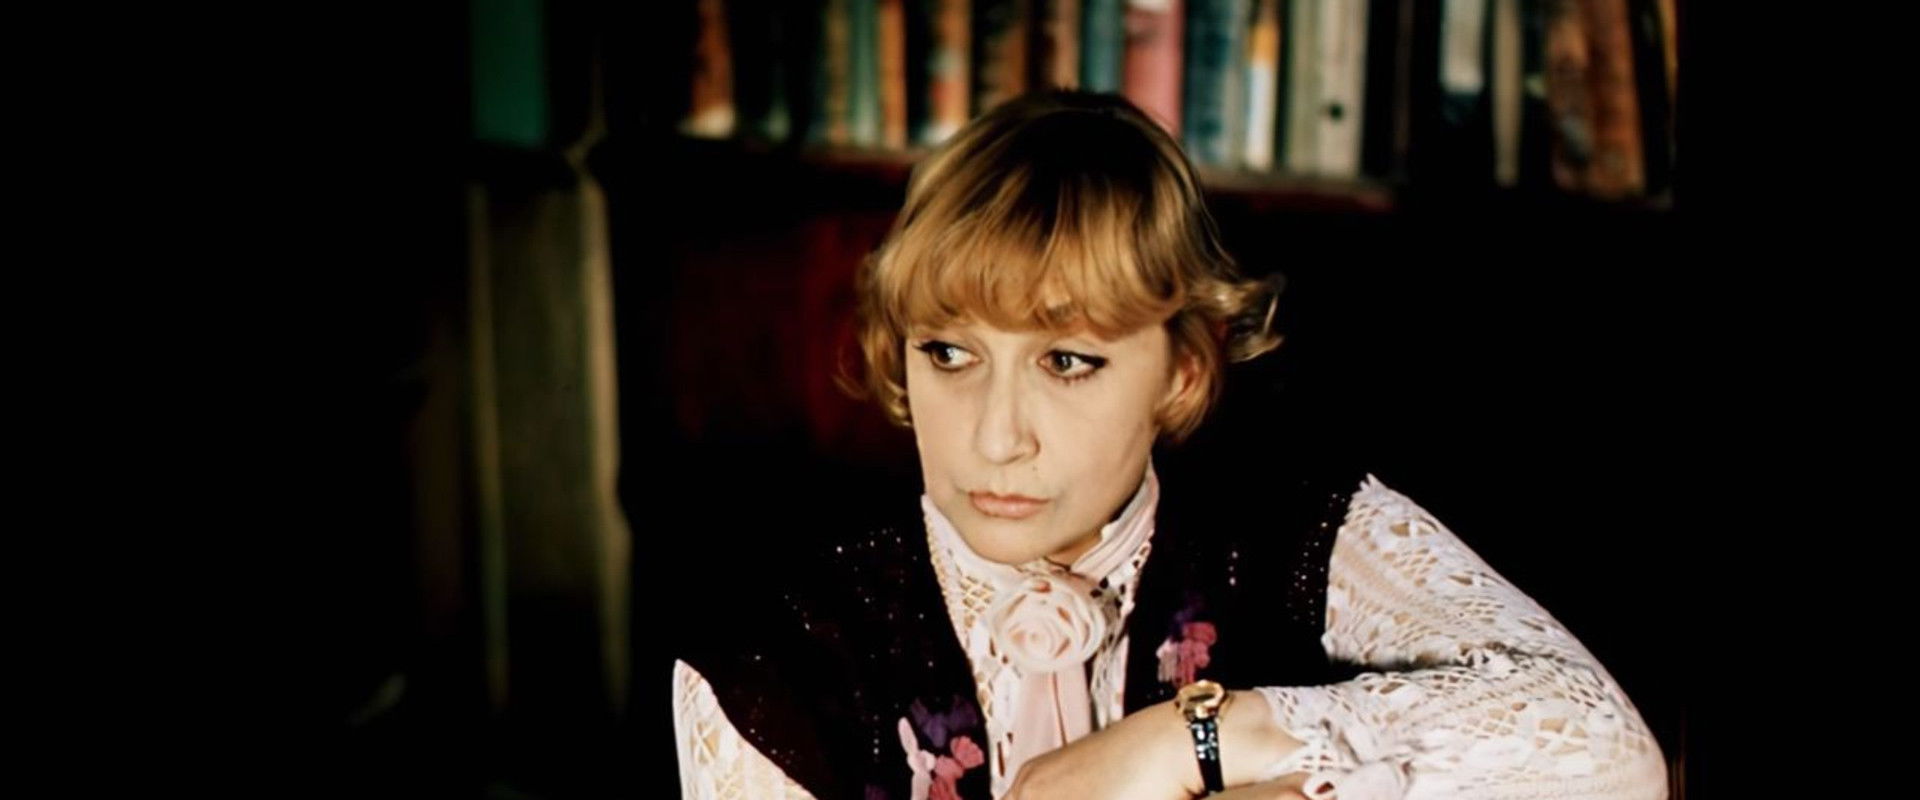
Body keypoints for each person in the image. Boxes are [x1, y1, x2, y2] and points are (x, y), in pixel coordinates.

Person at [670, 88, 1668, 800]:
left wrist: (1184, 743)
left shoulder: (1302, 534)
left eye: (1067, 360)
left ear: (1182, 371)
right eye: (949, 353)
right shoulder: (770, 661)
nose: (995, 435)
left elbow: (1609, 750)